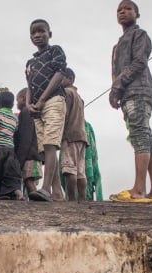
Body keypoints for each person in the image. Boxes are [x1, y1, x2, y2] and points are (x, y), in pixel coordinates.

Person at [109, 0, 152, 203]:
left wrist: (118, 87)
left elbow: (139, 62)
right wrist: (117, 91)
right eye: (119, 10)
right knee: (145, 137)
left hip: (138, 90)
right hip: (129, 93)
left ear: (137, 14)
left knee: (140, 135)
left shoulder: (139, 35)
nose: (123, 12)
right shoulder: (120, 42)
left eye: (128, 9)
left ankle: (139, 189)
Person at [25, 19, 67, 202]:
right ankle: (56, 192)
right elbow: (29, 87)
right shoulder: (30, 62)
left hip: (53, 101)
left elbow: (59, 74)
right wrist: (28, 104)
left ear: (50, 33)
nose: (37, 35)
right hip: (36, 108)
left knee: (51, 144)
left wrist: (42, 100)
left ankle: (46, 188)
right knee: (44, 149)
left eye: (41, 31)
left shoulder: (55, 51)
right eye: (33, 33)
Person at [60, 68, 88, 201]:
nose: (59, 81)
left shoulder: (66, 93)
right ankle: (82, 199)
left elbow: (63, 115)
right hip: (82, 137)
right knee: (80, 171)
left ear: (70, 79)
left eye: (62, 78)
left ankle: (71, 200)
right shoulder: (79, 97)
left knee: (69, 169)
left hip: (70, 136)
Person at [14, 88, 43, 199]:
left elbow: (25, 137)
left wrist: (20, 160)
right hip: (34, 155)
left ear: (24, 98)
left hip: (29, 156)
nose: (17, 104)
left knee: (28, 180)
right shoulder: (33, 112)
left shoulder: (26, 112)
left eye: (18, 100)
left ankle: (39, 204)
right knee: (28, 181)